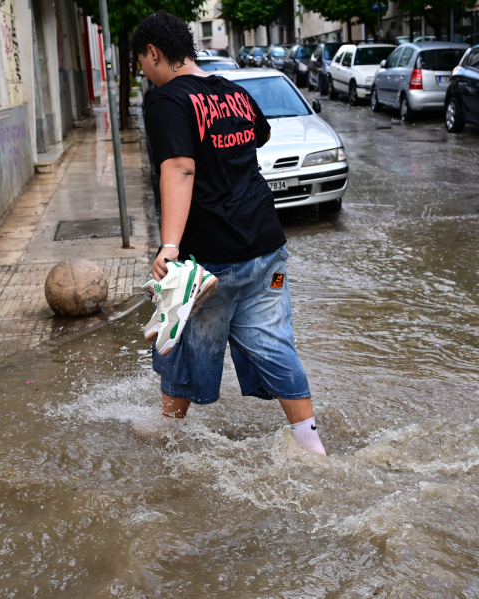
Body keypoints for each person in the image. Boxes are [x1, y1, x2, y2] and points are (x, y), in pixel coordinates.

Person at [132, 12, 326, 456]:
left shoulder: (167, 101)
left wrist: (169, 246)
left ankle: (169, 428)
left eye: (142, 61)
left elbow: (180, 168)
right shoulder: (235, 92)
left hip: (212, 256)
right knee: (275, 343)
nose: (143, 71)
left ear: (154, 53)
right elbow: (258, 135)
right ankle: (310, 444)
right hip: (267, 247)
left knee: (175, 331)